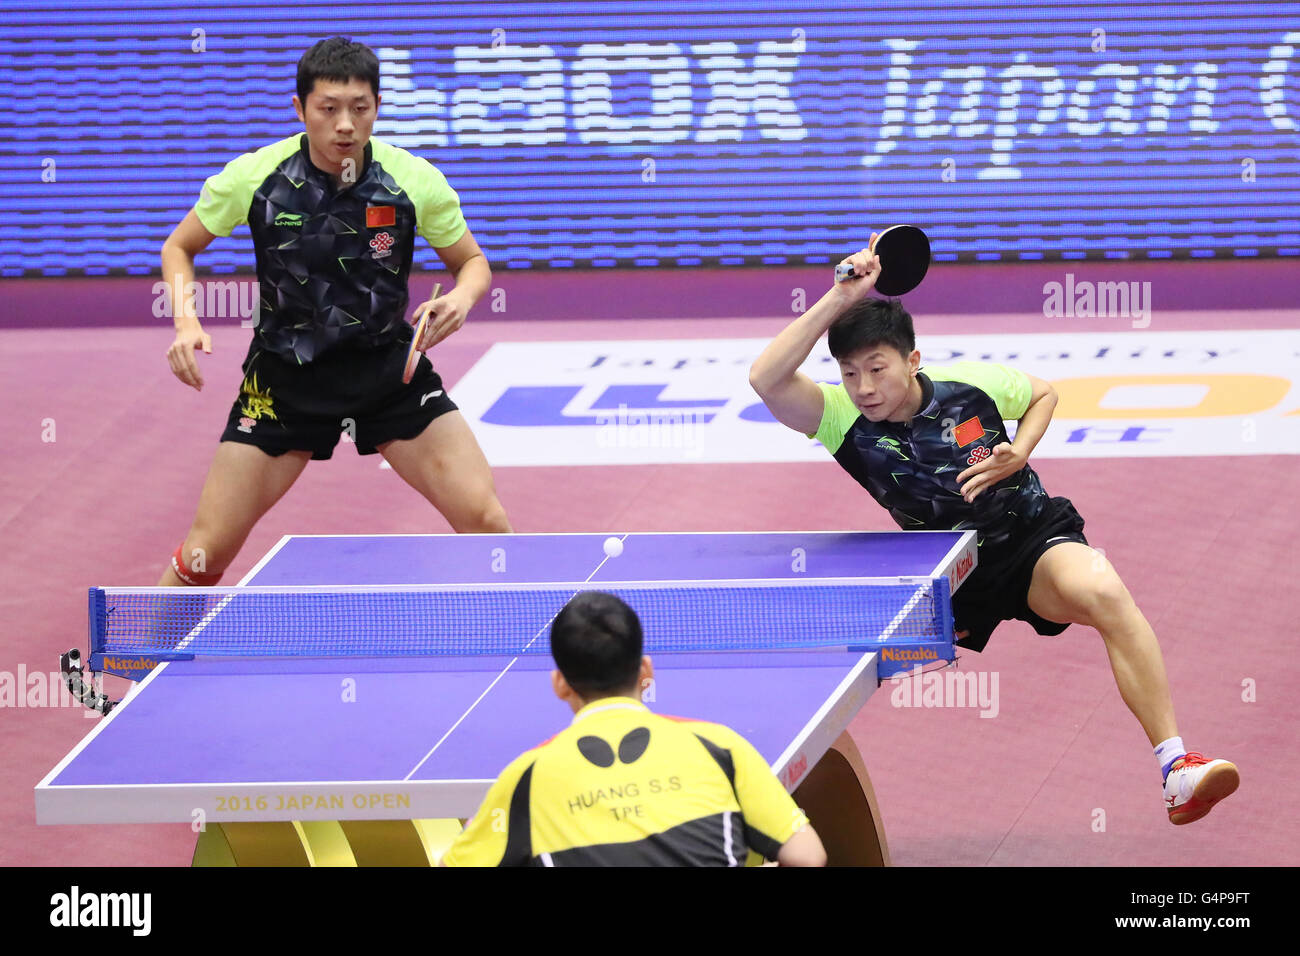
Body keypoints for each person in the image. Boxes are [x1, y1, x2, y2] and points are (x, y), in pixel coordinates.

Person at [747, 242, 1239, 826]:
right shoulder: (838, 419)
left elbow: (1043, 392)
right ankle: (759, 792)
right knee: (827, 660)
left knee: (1104, 591)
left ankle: (1175, 768)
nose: (864, 388)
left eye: (878, 368)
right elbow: (765, 377)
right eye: (850, 374)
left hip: (1029, 541)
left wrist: (1019, 452)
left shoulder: (969, 385)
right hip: (949, 574)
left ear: (913, 360)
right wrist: (843, 295)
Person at [156, 37, 510, 588]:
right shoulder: (255, 176)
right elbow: (179, 247)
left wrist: (460, 299)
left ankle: (545, 664)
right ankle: (121, 667)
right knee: (206, 553)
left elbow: (472, 263)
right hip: (283, 383)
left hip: (390, 375)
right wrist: (186, 320)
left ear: (376, 107)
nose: (345, 124)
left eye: (360, 108)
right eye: (328, 109)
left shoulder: (412, 181)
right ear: (300, 110)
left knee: (486, 520)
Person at [440, 592, 827, 866]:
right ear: (646, 672)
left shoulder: (527, 778)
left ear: (560, 684)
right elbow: (808, 857)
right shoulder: (719, 747)